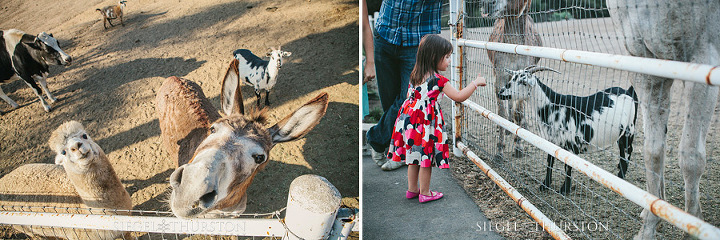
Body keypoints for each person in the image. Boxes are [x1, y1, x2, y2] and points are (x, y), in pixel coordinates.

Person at [388, 34, 486, 203]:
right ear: (434, 57)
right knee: (426, 159)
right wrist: (475, 83)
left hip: (409, 120)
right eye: (447, 57)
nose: (449, 61)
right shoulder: (439, 81)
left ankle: (412, 189)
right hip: (425, 125)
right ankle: (425, 192)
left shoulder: (415, 74)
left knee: (413, 156)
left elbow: (408, 95)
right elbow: (459, 96)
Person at [366, 0, 443, 171]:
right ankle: (396, 147)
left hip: (418, 42)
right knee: (389, 100)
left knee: (409, 99)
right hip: (385, 33)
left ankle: (377, 140)